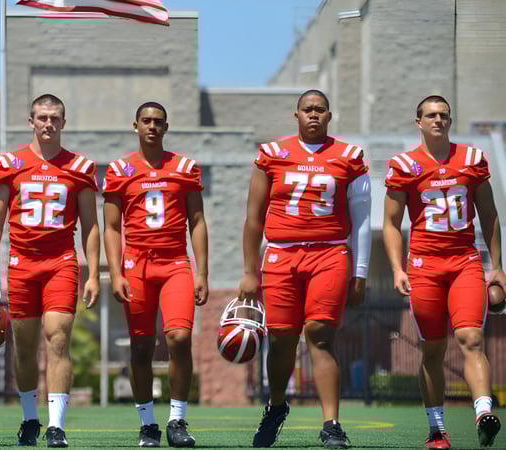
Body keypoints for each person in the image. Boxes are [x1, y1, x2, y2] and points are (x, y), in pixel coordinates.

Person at [238, 90, 371, 449]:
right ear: (295, 115)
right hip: (281, 255)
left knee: (321, 335)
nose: (314, 115)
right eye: (307, 110)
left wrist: (360, 273)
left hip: (329, 254)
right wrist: (250, 270)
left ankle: (331, 424)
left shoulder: (350, 156)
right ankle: (277, 407)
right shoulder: (272, 154)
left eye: (320, 110)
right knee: (281, 340)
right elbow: (253, 219)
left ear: (330, 116)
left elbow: (361, 221)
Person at [0, 94, 100, 448]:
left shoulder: (79, 167)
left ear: (64, 121)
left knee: (57, 337)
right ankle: (30, 418)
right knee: (25, 347)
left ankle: (56, 425)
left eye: (54, 117)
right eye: (42, 117)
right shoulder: (9, 164)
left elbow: (91, 224)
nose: (48, 123)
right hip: (22, 263)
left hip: (60, 261)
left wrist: (91, 273)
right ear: (31, 121)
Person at [382, 95, 503, 449]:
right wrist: (395, 267)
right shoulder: (405, 164)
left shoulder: (472, 160)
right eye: (431, 115)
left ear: (450, 121)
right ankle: (437, 429)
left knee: (472, 339)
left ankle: (483, 412)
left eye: (444, 115)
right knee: (432, 349)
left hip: (465, 260)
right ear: (418, 121)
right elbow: (391, 223)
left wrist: (498, 267)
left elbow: (490, 214)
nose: (438, 120)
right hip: (424, 265)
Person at [102, 102, 209, 448]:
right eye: (146, 121)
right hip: (137, 264)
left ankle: (177, 419)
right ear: (135, 125)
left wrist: (203, 271)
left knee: (179, 338)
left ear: (166, 127)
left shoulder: (185, 167)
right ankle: (148, 423)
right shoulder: (119, 169)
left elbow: (197, 221)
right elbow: (111, 227)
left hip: (175, 262)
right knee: (141, 346)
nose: (152, 126)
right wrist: (115, 271)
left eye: (158, 122)